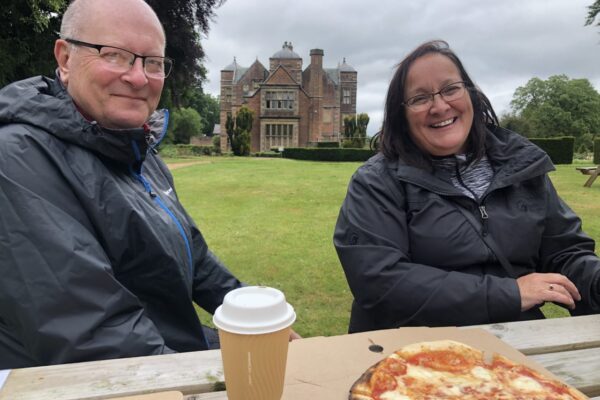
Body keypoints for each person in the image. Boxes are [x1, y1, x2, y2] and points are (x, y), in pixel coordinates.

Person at [0, 0, 298, 369]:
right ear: (65, 58)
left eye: (152, 62)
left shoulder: (133, 146)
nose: (139, 78)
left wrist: (254, 313)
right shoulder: (17, 159)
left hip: (168, 358)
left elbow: (192, 255)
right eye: (114, 55)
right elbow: (97, 338)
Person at [333, 40, 600, 334]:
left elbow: (565, 253)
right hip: (411, 354)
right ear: (402, 115)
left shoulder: (521, 167)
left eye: (450, 89)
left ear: (470, 94)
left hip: (516, 348)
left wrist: (594, 281)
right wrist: (511, 294)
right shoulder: (376, 182)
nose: (439, 106)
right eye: (420, 98)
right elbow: (380, 281)